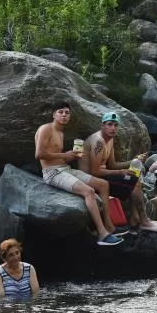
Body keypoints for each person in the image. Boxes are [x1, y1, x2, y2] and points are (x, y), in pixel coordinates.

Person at [34, 102, 122, 246]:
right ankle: (102, 234)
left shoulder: (61, 132)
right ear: (53, 114)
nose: (64, 115)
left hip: (65, 169)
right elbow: (39, 154)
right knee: (89, 191)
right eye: (60, 112)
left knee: (103, 184)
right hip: (52, 172)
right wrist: (64, 155)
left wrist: (71, 156)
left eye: (67, 113)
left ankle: (109, 225)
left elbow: (58, 155)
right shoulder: (46, 129)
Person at [80, 112, 157, 232]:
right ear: (102, 126)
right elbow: (95, 171)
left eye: (116, 125)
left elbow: (112, 165)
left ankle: (135, 218)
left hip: (103, 175)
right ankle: (143, 220)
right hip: (91, 179)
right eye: (110, 124)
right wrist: (120, 172)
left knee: (136, 177)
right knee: (134, 183)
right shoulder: (99, 142)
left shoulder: (109, 140)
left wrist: (134, 160)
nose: (113, 128)